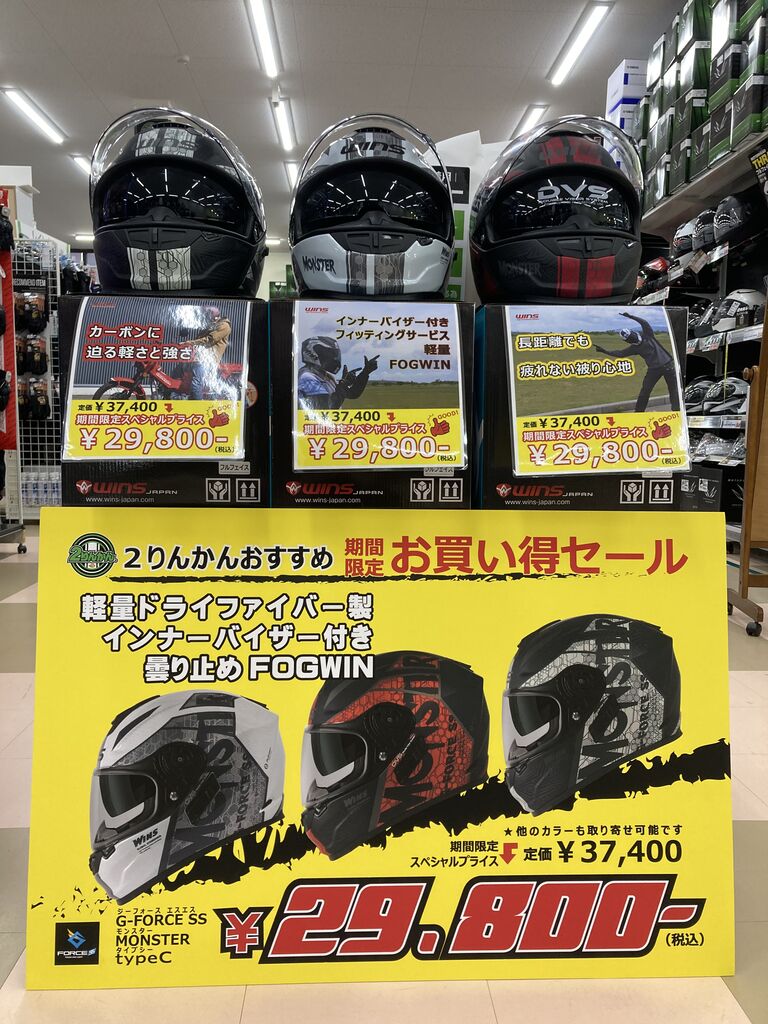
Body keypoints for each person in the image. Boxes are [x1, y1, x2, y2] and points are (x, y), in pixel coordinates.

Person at [594, 311, 680, 412]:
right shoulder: (645, 337)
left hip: (660, 368)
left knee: (649, 391)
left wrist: (604, 351)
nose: (634, 338)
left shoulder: (641, 341)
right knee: (669, 390)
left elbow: (620, 353)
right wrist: (630, 316)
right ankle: (673, 411)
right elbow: (644, 323)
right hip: (663, 366)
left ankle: (641, 413)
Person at [297, 336, 379, 411]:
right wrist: (342, 385)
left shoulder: (325, 376)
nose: (333, 358)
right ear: (312, 353)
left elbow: (352, 393)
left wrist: (365, 372)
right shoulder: (307, 378)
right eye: (328, 354)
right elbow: (326, 409)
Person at [187, 306, 232, 400]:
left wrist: (190, 342)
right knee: (193, 382)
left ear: (213, 315)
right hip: (201, 357)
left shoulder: (224, 326)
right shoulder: (212, 325)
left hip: (207, 359)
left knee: (196, 383)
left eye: (206, 313)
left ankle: (198, 406)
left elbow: (210, 339)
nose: (204, 315)